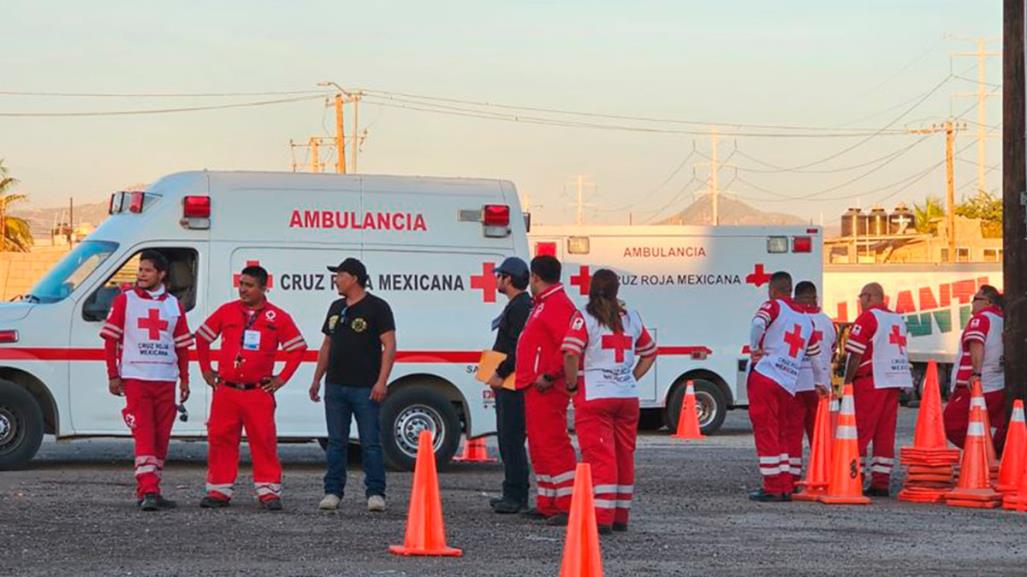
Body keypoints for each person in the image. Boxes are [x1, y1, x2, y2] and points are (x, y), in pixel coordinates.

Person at [195, 264, 307, 510]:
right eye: (241, 284)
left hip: (258, 392)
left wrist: (281, 379)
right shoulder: (227, 311)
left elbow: (298, 348)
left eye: (249, 286)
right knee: (221, 438)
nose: (242, 290)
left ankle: (268, 492)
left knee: (263, 440)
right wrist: (205, 368)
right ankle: (218, 491)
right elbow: (202, 337)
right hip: (226, 390)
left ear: (263, 288)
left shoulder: (277, 317)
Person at [561, 269, 656, 534]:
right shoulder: (631, 318)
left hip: (595, 394)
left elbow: (570, 354)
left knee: (600, 456)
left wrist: (571, 385)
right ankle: (620, 515)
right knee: (624, 455)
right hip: (626, 395)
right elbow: (650, 353)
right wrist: (630, 376)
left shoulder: (584, 318)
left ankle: (601, 517)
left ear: (592, 289)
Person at [101, 250, 192, 511]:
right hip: (136, 378)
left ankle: (151, 488)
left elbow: (182, 346)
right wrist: (113, 375)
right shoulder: (125, 301)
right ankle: (149, 489)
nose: (141, 275)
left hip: (165, 379)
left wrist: (185, 380)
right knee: (144, 434)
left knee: (161, 437)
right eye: (140, 270)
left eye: (147, 270)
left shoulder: (174, 304)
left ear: (161, 274)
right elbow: (111, 340)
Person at [310, 258, 396, 513]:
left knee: (370, 442)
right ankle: (333, 492)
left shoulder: (377, 307)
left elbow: (389, 346)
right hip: (335, 385)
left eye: (339, 275)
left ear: (354, 278)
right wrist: (317, 378)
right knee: (336, 442)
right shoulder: (336, 307)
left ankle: (376, 493)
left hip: (365, 387)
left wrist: (381, 381)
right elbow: (327, 345)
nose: (335, 279)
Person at [747, 271, 827, 502]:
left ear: (772, 289)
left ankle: (773, 486)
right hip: (788, 382)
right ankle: (783, 484)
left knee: (766, 431)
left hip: (766, 375)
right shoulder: (806, 319)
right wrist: (820, 383)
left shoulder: (773, 306)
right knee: (781, 432)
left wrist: (754, 347)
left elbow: (757, 323)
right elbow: (815, 356)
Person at [516, 255, 579, 525]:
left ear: (535, 277)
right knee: (540, 445)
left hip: (547, 386)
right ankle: (548, 501)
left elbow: (568, 346)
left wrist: (550, 374)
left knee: (553, 443)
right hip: (535, 384)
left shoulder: (556, 304)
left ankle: (568, 503)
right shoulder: (544, 304)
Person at [842, 282, 913, 497]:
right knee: (884, 434)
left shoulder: (868, 318)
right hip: (893, 381)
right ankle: (881, 481)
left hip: (870, 380)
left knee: (861, 431)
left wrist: (847, 382)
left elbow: (855, 354)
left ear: (870, 297)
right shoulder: (896, 319)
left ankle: (854, 477)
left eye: (861, 297)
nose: (860, 301)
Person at [486, 257, 534, 514]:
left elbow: (517, 348)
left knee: (511, 439)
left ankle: (516, 497)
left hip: (512, 384)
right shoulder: (518, 306)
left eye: (499, 276)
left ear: (509, 279)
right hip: (508, 382)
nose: (496, 280)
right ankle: (511, 491)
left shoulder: (519, 308)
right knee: (507, 439)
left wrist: (499, 373)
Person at [943, 285, 1007, 452]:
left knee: (951, 423)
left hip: (975, 386)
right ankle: (992, 453)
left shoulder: (981, 319)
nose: (972, 304)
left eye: (975, 299)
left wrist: (976, 373)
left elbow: (976, 343)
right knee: (992, 423)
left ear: (988, 301)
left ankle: (981, 453)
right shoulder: (1001, 319)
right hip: (996, 383)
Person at [787, 281, 836, 482]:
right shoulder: (828, 322)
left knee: (792, 434)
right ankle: (824, 474)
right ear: (815, 298)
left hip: (795, 383)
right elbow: (831, 352)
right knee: (820, 434)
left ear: (795, 298)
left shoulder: (792, 319)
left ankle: (792, 477)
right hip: (820, 385)